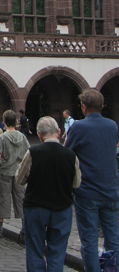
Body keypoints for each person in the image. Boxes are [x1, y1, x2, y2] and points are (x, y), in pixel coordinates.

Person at [17, 116, 81, 272]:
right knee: (57, 251)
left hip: (36, 206)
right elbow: (76, 183)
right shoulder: (70, 155)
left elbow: (20, 178)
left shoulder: (33, 152)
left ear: (39, 135)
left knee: (35, 249)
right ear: (58, 132)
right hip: (62, 207)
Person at [65, 89, 119, 272]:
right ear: (102, 106)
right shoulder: (112, 126)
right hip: (111, 190)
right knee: (113, 239)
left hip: (87, 191)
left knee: (89, 240)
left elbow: (67, 154)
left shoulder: (79, 127)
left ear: (84, 107)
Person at [0, 109, 30, 239]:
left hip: (6, 171)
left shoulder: (2, 138)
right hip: (19, 172)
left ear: (5, 122)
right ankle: (24, 229)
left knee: (3, 199)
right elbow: (28, 154)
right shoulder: (22, 137)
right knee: (21, 199)